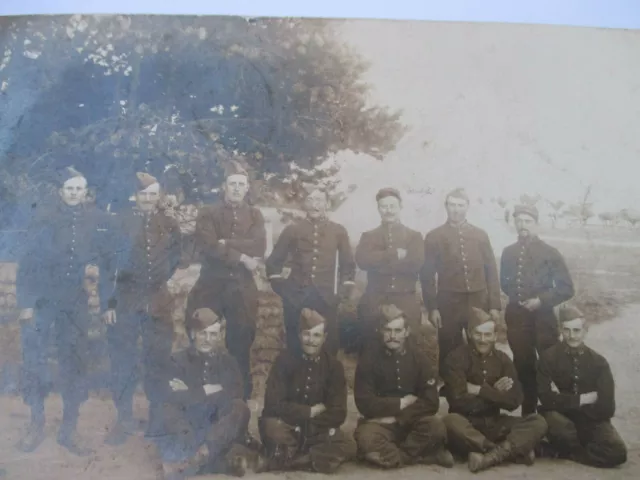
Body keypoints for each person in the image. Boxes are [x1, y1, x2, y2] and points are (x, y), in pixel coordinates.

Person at [15, 166, 113, 455]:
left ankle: (69, 428)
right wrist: (26, 304)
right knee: (35, 362)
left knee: (76, 362)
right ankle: (36, 423)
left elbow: (108, 259)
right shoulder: (43, 217)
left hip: (74, 301)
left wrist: (104, 292)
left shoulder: (95, 219)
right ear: (61, 192)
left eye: (79, 189)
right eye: (69, 189)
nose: (74, 193)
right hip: (43, 302)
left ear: (86, 192)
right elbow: (27, 263)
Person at [102, 172, 182, 445]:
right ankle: (123, 421)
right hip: (126, 301)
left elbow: (174, 260)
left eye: (152, 195)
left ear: (158, 196)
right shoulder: (121, 222)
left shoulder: (169, 224)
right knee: (122, 362)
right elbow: (108, 266)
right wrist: (110, 303)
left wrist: (156, 285)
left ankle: (157, 421)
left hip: (158, 302)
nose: (148, 199)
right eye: (143, 195)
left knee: (158, 361)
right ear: (135, 196)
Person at [186, 160, 266, 401]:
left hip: (241, 287)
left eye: (241, 185)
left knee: (241, 342)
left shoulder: (254, 214)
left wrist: (227, 244)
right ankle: (197, 394)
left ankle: (238, 396)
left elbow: (260, 245)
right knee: (200, 335)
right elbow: (209, 246)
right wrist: (242, 255)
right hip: (211, 284)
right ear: (224, 187)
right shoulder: (208, 212)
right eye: (232, 184)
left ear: (247, 188)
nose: (237, 189)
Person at [148, 308, 252, 479]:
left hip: (215, 429)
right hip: (187, 427)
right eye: (202, 334)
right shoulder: (177, 360)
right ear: (192, 333)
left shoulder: (228, 362)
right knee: (165, 408)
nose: (207, 340)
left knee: (240, 408)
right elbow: (168, 395)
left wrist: (189, 392)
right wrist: (206, 389)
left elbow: (235, 392)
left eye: (213, 335)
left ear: (219, 336)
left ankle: (199, 457)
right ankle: (214, 461)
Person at [441, 307, 548, 473]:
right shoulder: (455, 359)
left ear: (495, 336)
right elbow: (458, 401)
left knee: (538, 421)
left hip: (496, 422)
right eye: (478, 334)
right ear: (469, 333)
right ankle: (507, 451)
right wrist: (497, 394)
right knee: (449, 421)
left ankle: (489, 456)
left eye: (488, 334)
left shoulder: (503, 360)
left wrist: (481, 390)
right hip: (467, 425)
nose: (483, 339)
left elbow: (515, 401)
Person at [354, 304, 453, 469]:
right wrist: (400, 403)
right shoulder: (368, 359)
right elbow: (364, 402)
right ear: (381, 331)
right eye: (388, 330)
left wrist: (399, 418)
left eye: (398, 331)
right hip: (381, 424)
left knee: (436, 427)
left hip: (411, 422)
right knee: (365, 437)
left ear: (407, 332)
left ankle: (396, 457)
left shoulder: (420, 359)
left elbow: (431, 402)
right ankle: (425, 456)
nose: (393, 336)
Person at [260, 308, 356, 474]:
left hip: (315, 430)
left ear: (324, 338)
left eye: (316, 335)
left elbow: (338, 412)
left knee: (348, 445)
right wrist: (309, 411)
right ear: (299, 335)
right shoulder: (284, 361)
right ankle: (311, 458)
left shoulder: (334, 367)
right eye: (307, 334)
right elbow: (273, 404)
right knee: (271, 427)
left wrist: (307, 427)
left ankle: (292, 460)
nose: (311, 340)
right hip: (287, 427)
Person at [501, 204, 575, 415]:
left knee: (551, 363)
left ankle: (564, 410)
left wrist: (541, 301)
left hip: (543, 319)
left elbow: (566, 288)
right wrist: (519, 299)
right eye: (519, 221)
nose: (523, 225)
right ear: (514, 223)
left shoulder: (550, 253)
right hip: (516, 317)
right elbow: (504, 283)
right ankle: (529, 412)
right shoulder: (508, 252)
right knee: (523, 365)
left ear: (536, 223)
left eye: (528, 221)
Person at [266, 188, 356, 355]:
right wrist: (284, 290)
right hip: (296, 299)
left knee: (328, 346)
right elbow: (273, 262)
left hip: (327, 298)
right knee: (295, 345)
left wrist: (341, 293)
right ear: (305, 204)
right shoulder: (292, 230)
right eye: (310, 200)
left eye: (319, 200)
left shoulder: (338, 231)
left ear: (327, 204)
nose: (315, 205)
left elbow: (348, 264)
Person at [420, 188, 501, 372]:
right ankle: (451, 392)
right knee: (449, 347)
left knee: (482, 343)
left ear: (467, 207)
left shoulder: (480, 235)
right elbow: (426, 276)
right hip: (448, 303)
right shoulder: (434, 236)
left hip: (478, 300)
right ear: (446, 207)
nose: (456, 210)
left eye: (460, 205)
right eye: (451, 205)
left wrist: (494, 305)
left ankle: (483, 386)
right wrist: (432, 308)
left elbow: (491, 271)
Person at [537, 305, 627, 468]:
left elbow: (607, 408)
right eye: (567, 330)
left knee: (617, 452)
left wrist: (563, 401)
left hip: (589, 420)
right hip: (561, 418)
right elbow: (544, 397)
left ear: (585, 330)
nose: (572, 336)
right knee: (558, 424)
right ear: (560, 330)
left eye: (577, 330)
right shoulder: (548, 358)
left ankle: (563, 452)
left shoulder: (599, 362)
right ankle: (577, 446)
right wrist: (582, 399)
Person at [355, 188, 424, 350]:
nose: (388, 211)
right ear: (378, 209)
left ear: (400, 207)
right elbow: (363, 261)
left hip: (405, 297)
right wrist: (393, 254)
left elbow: (415, 263)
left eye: (392, 206)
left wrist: (378, 262)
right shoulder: (368, 236)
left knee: (409, 345)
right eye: (384, 207)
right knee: (372, 345)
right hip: (376, 298)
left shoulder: (414, 236)